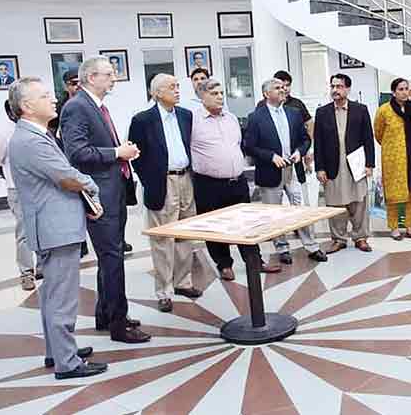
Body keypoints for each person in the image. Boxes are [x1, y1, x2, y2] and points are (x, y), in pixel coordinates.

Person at [7, 76, 107, 380]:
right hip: (56, 229)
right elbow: (66, 176)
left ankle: (59, 351)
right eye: (45, 96)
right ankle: (68, 363)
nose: (53, 99)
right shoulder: (31, 140)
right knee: (62, 299)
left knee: (53, 296)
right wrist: (92, 186)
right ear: (27, 106)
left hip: (53, 227)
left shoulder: (35, 134)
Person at [60, 56, 150, 344]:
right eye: (109, 74)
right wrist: (117, 153)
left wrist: (120, 151)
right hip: (99, 195)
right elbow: (76, 153)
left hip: (113, 190)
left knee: (110, 257)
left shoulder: (96, 106)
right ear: (91, 77)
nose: (114, 79)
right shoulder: (77, 107)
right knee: (112, 258)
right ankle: (119, 325)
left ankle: (106, 313)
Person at [191, 79, 283, 279]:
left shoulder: (231, 118)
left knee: (247, 224)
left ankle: (255, 261)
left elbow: (239, 145)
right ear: (202, 96)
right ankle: (224, 264)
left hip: (237, 181)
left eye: (221, 93)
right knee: (215, 227)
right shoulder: (193, 121)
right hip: (209, 184)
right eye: (214, 93)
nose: (220, 97)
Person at [128, 74, 201, 313]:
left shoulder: (186, 115)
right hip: (163, 182)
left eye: (178, 86)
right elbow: (136, 156)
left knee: (185, 234)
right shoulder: (142, 120)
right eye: (172, 87)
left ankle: (183, 282)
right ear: (157, 93)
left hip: (186, 179)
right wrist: (151, 181)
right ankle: (164, 291)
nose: (178, 90)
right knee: (162, 239)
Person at [244, 78, 327, 264]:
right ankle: (282, 248)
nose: (283, 90)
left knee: (301, 210)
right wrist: (271, 156)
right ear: (266, 94)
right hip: (270, 172)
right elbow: (249, 146)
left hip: (294, 169)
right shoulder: (256, 117)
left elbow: (305, 139)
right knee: (275, 214)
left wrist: (299, 152)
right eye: (277, 88)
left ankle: (311, 246)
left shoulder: (294, 113)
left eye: (283, 87)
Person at [313, 73, 375, 253]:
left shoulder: (360, 110)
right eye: (333, 86)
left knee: (359, 202)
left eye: (339, 86)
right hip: (332, 166)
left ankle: (360, 237)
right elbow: (318, 143)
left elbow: (368, 139)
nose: (335, 90)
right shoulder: (322, 113)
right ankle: (338, 239)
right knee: (335, 203)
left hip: (356, 165)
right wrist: (320, 168)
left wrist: (369, 164)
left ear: (347, 89)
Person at [0, 101, 36, 290]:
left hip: (39, 189)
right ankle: (26, 273)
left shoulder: (33, 128)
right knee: (24, 233)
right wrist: (10, 175)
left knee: (42, 228)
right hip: (18, 189)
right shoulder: (2, 133)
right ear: (10, 111)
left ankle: (42, 267)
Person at [374, 77, 411, 240]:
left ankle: (409, 227)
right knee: (393, 195)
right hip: (393, 159)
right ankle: (394, 228)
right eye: (400, 89)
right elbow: (378, 133)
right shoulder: (384, 110)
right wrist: (392, 146)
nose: (404, 92)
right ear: (393, 92)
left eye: (406, 89)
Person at [274, 70, 314, 187]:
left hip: (296, 154)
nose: (285, 89)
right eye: (282, 86)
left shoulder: (297, 104)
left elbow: (310, 123)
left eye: (288, 85)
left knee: (298, 190)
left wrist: (308, 149)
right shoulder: (265, 105)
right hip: (275, 157)